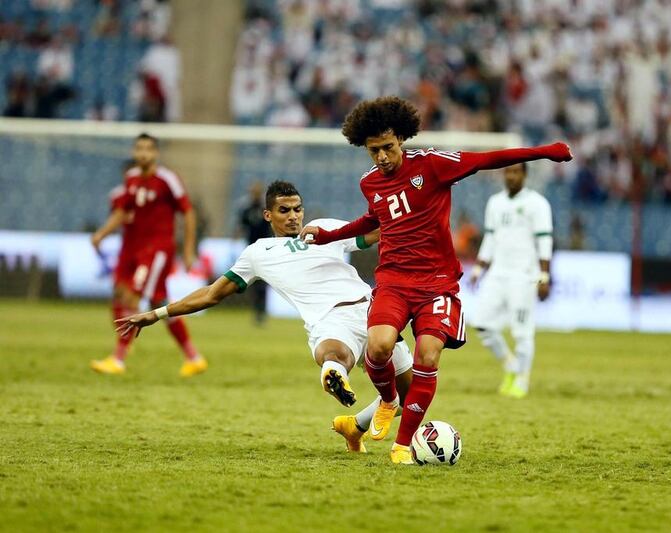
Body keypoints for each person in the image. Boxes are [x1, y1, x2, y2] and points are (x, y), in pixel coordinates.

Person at [300, 96, 572, 464]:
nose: (381, 157)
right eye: (373, 151)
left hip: (437, 284)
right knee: (377, 348)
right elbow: (373, 220)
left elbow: (486, 160)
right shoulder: (370, 184)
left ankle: (401, 446)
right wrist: (329, 236)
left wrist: (545, 152)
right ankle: (389, 401)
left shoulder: (432, 165)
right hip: (394, 280)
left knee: (427, 356)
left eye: (388, 148)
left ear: (401, 139)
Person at [115, 180, 414, 453]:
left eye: (297, 209)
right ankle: (334, 373)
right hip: (330, 320)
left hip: (374, 310)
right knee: (335, 354)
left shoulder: (323, 229)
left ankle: (354, 426)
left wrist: (410, 212)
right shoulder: (259, 253)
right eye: (284, 210)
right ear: (268, 215)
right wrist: (157, 313)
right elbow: (211, 294)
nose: (293, 216)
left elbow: (375, 232)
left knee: (410, 393)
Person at [90, 133, 206, 377]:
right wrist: (102, 233)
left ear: (156, 153)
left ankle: (118, 358)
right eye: (139, 148)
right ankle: (193, 357)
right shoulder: (131, 178)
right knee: (154, 302)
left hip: (157, 250)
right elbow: (122, 212)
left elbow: (188, 212)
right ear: (134, 152)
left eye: (148, 149)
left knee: (133, 297)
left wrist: (187, 249)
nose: (143, 153)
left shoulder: (167, 180)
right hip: (131, 247)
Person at [468, 163, 553, 399]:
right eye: (508, 172)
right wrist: (478, 268)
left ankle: (522, 380)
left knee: (522, 333)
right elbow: (491, 239)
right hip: (497, 273)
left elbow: (544, 241)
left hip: (524, 276)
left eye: (516, 172)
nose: (511, 176)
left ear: (525, 175)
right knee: (482, 324)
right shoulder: (495, 202)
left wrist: (544, 275)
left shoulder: (537, 204)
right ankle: (511, 366)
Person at [239, 182, 273, 324]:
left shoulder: (266, 209)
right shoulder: (246, 209)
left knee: (263, 282)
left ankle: (261, 311)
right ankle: (256, 311)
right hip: (251, 248)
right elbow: (242, 225)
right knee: (253, 282)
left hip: (265, 248)